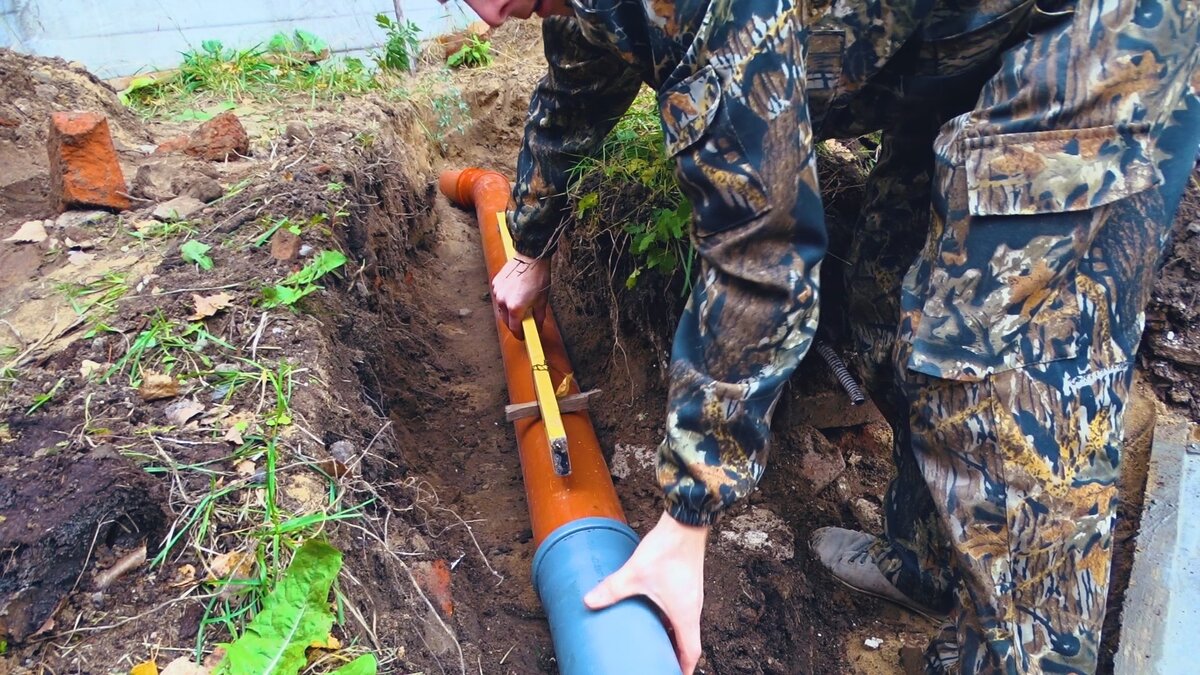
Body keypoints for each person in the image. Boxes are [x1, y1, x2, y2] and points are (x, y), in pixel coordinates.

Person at [453, 0, 1200, 671]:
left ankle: (1027, 654)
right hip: (957, 53)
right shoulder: (585, 6)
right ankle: (931, 559)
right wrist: (531, 243)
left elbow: (762, 253)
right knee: (883, 297)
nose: (485, 19)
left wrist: (688, 516)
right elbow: (575, 96)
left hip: (1096, 39)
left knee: (997, 364)